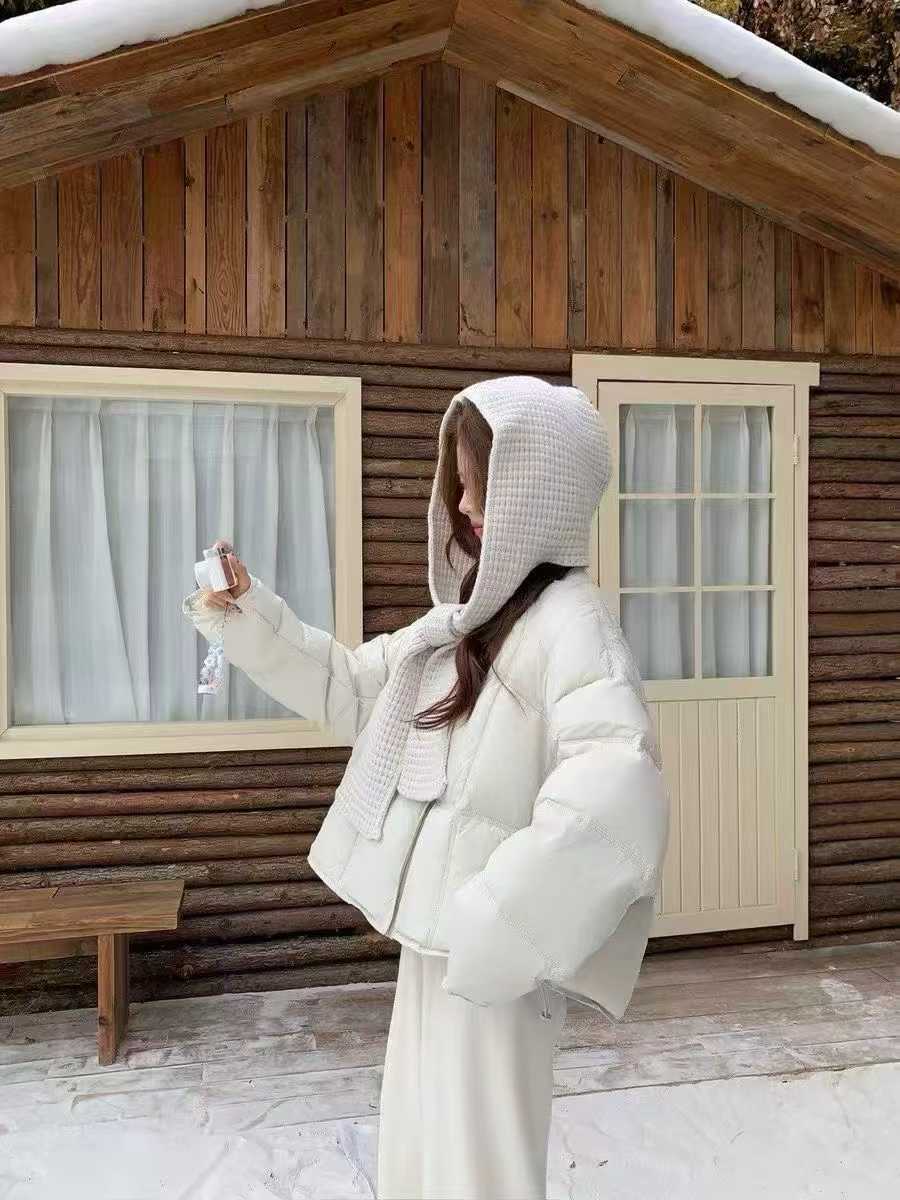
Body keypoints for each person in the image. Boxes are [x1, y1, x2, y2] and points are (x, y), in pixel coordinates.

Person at [183, 376, 670, 1200]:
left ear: (537, 491)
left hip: (492, 963)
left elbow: (616, 796)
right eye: (461, 482)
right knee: (422, 1149)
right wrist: (247, 611)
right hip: (438, 949)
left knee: (480, 1168)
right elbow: (349, 686)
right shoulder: (463, 628)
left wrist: (496, 920)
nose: (465, 503)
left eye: (482, 481)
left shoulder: (573, 627)